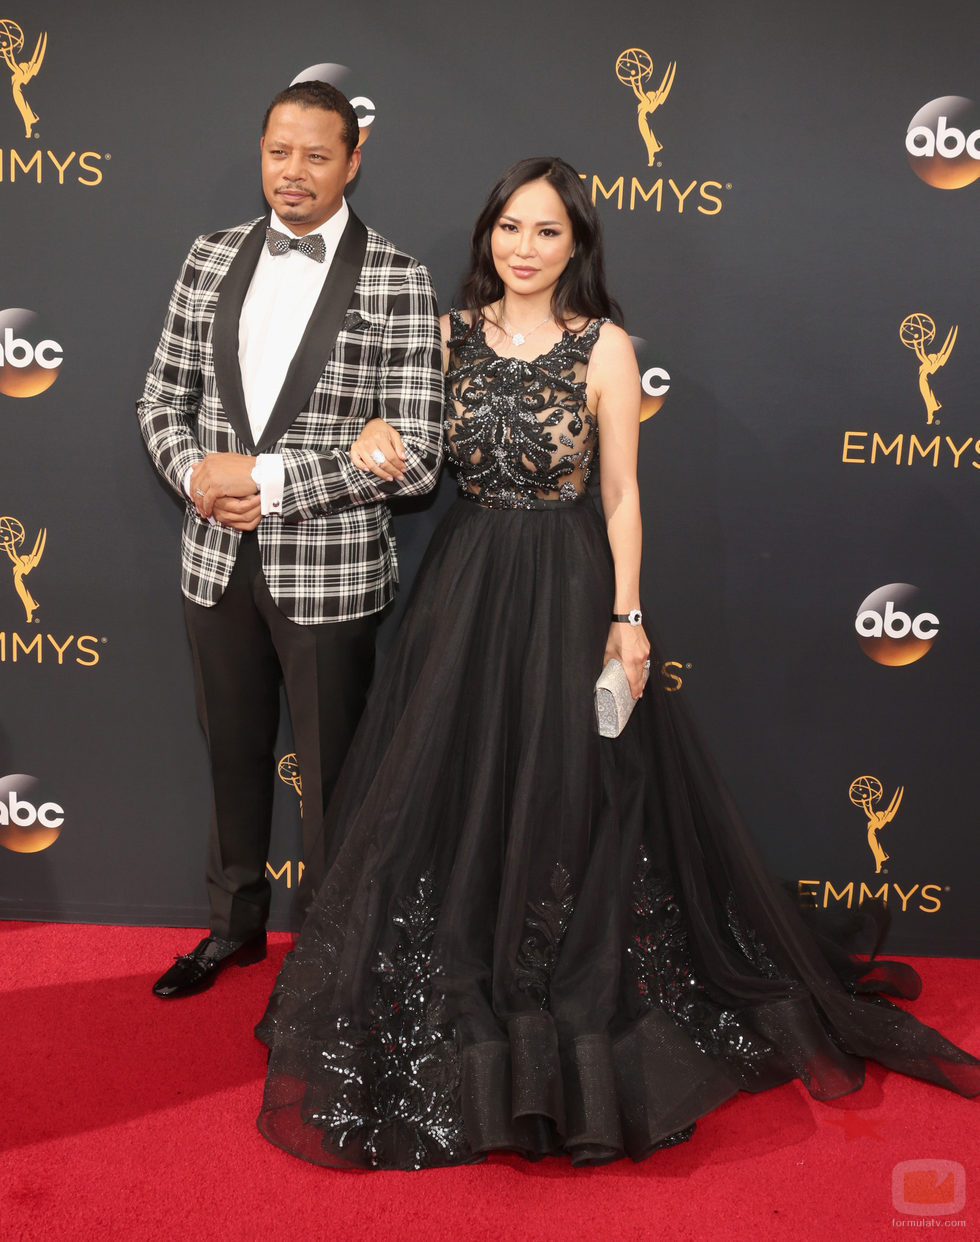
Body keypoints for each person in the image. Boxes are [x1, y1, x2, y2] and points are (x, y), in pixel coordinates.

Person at [255, 157, 980, 1169]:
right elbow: (391, 441)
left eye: (545, 231)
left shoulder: (603, 347)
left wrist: (626, 615)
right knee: (454, 788)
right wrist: (375, 427)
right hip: (464, 585)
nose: (522, 246)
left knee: (572, 790)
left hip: (564, 584)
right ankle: (461, 978)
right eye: (509, 227)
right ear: (485, 236)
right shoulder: (441, 337)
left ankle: (568, 1000)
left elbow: (621, 496)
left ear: (575, 247)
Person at [137, 81, 444, 999]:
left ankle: (331, 954)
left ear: (354, 162)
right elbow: (162, 401)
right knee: (229, 756)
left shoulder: (397, 277)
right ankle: (231, 924)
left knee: (335, 777)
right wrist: (198, 476)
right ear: (260, 151)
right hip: (213, 560)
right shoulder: (210, 256)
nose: (293, 173)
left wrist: (265, 480)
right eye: (279, 151)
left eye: (316, 155)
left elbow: (419, 458)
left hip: (332, 579)